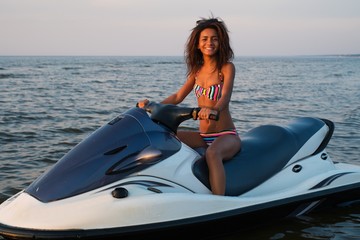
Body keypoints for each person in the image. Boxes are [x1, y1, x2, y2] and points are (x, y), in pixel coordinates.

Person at [138, 17, 241, 195]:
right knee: (164, 137)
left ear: (221, 42)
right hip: (203, 136)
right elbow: (178, 96)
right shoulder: (196, 72)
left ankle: (218, 203)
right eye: (205, 39)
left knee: (212, 154)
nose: (210, 42)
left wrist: (213, 109)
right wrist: (152, 106)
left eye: (215, 38)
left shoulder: (226, 68)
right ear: (198, 45)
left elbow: (225, 97)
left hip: (225, 135)